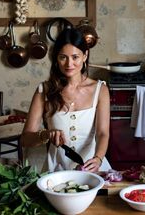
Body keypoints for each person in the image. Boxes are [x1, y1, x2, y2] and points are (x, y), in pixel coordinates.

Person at [21, 26, 111, 173]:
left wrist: (98, 158)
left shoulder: (100, 90)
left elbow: (103, 133)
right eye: (63, 57)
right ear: (56, 58)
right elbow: (25, 139)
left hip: (93, 168)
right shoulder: (44, 90)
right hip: (56, 171)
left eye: (75, 57)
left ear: (85, 56)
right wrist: (45, 135)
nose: (69, 64)